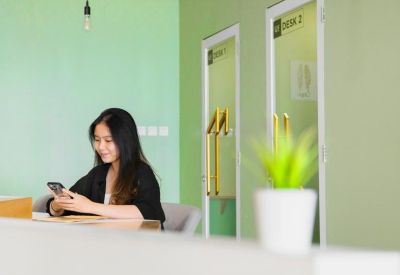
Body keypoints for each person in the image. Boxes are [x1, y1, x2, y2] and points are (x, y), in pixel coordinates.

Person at [46, 108, 165, 226]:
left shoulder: (142, 172)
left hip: (135, 242)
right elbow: (71, 206)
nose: (101, 147)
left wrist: (90, 207)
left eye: (108, 140)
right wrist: (57, 205)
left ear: (126, 140)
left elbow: (149, 211)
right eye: (97, 140)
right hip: (103, 241)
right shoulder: (98, 174)